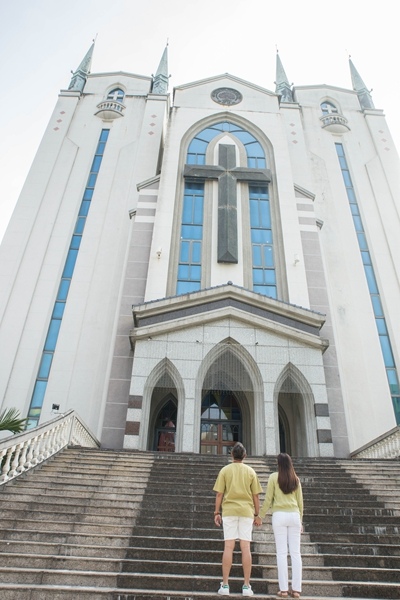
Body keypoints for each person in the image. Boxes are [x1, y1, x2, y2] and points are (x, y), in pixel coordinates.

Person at [213, 442, 263, 597]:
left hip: (229, 511)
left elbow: (219, 494)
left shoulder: (225, 471)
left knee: (228, 547)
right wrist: (257, 514)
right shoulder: (250, 471)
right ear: (245, 456)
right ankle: (246, 586)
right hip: (247, 512)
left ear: (231, 455)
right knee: (245, 548)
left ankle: (225, 585)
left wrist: (216, 512)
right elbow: (256, 495)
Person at [254, 453, 303, 598]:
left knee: (281, 553)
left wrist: (260, 516)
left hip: (279, 516)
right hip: (294, 515)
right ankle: (296, 590)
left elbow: (268, 499)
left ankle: (283, 590)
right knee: (295, 553)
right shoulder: (296, 479)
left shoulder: (273, 477)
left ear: (279, 463)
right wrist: (300, 520)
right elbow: (300, 503)